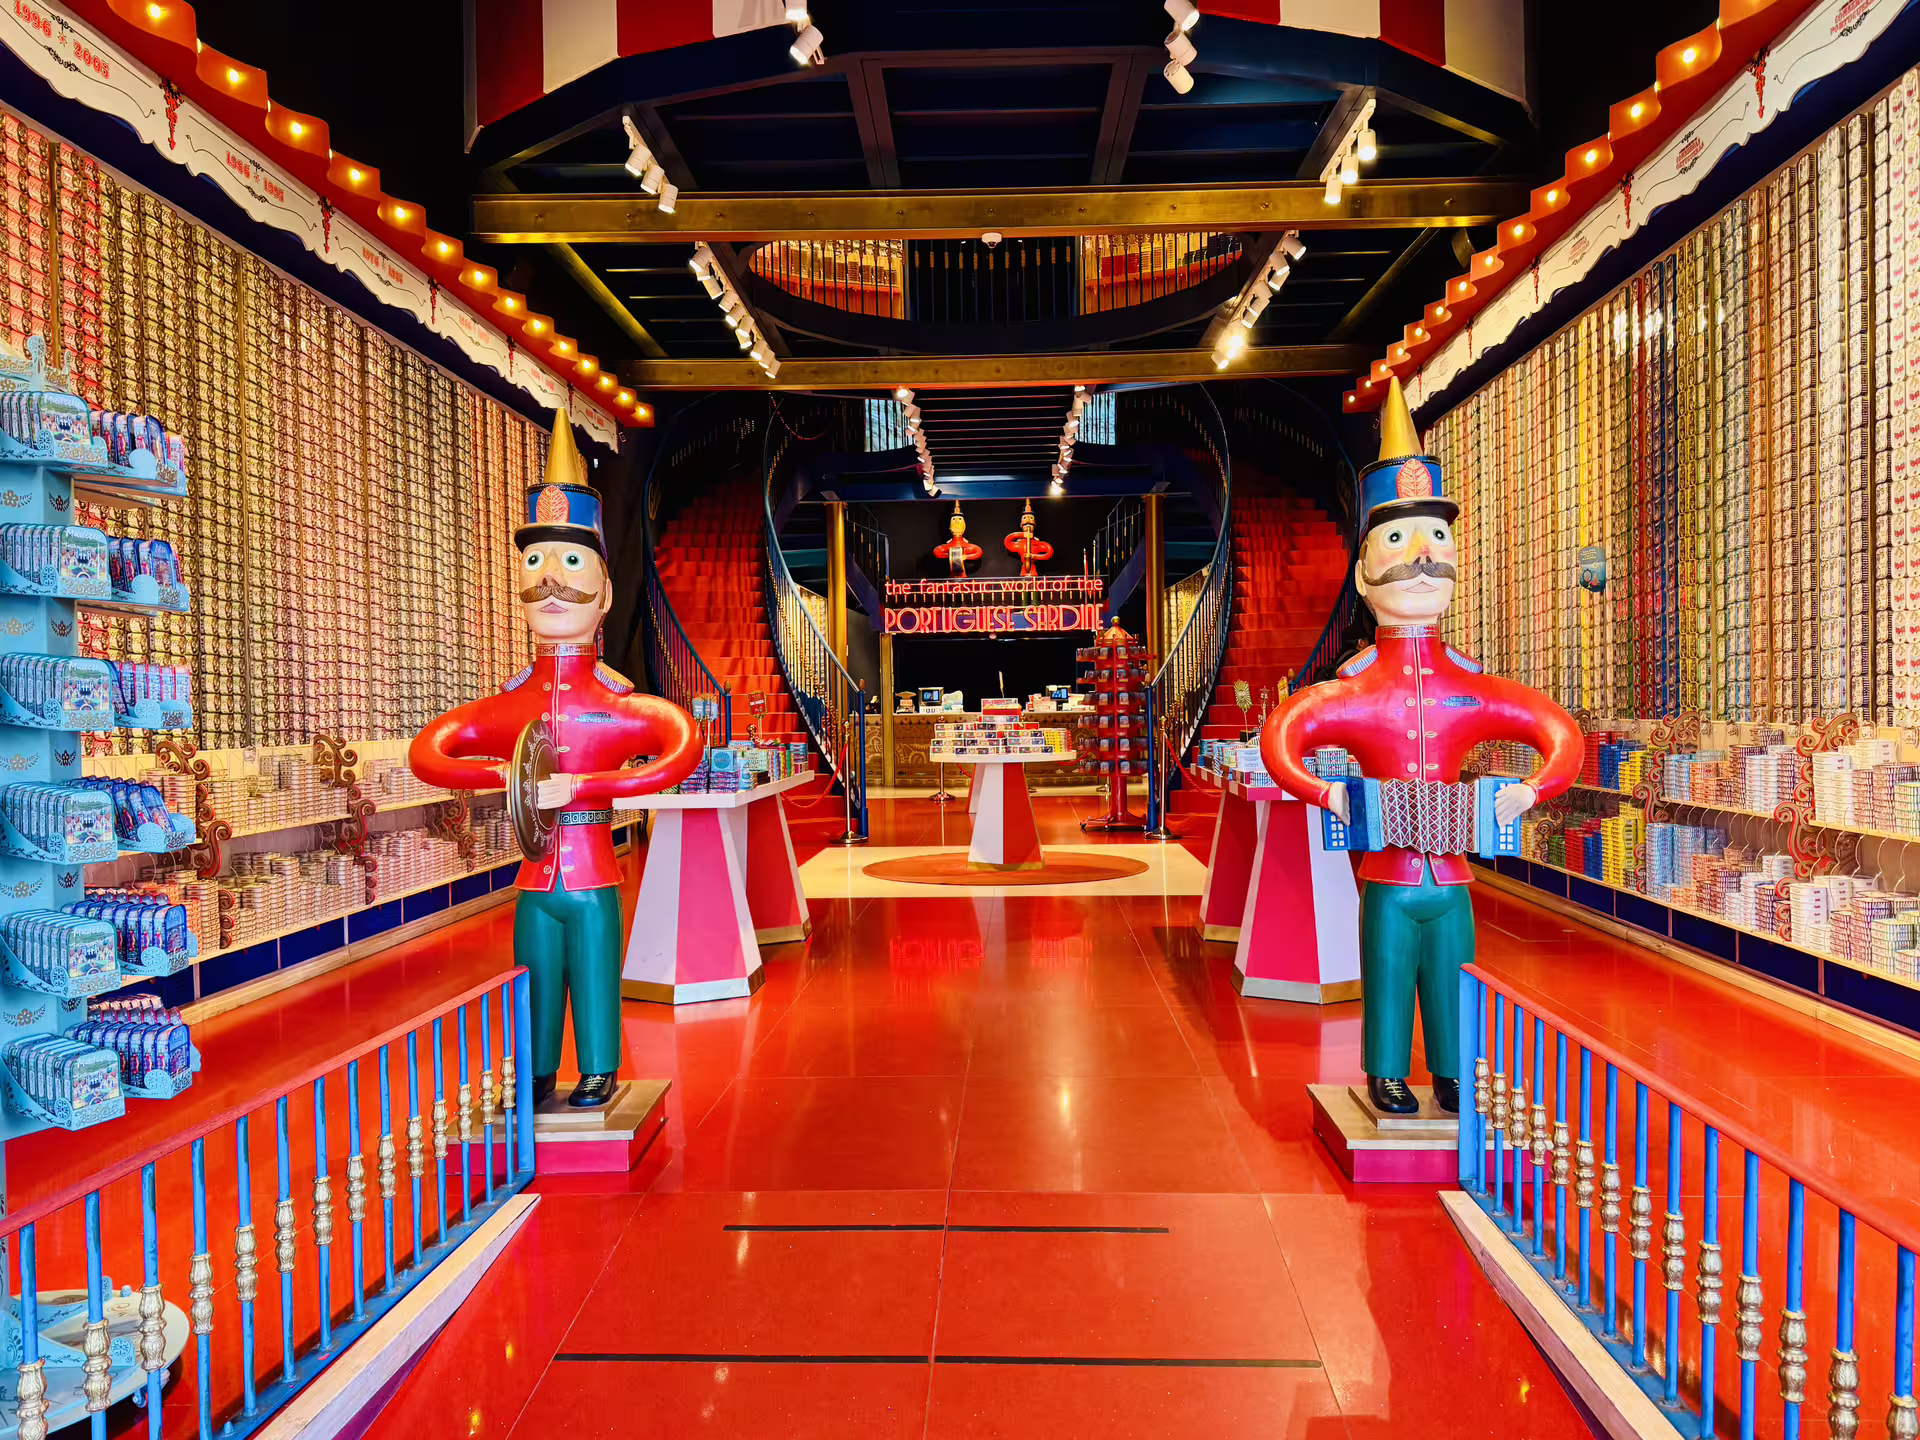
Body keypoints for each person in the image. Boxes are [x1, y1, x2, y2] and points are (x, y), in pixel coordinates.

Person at [1259, 378, 1581, 1116]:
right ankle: (1383, 1070)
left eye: (1437, 537)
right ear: (1367, 572)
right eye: (1399, 539)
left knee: (1452, 972)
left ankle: (1455, 1070)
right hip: (1390, 869)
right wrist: (1326, 790)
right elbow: (1284, 735)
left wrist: (1530, 789)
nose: (1423, 557)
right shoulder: (1353, 687)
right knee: (1388, 966)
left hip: (1454, 871)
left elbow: (1558, 733)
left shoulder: (1471, 684)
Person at [410, 412, 702, 1109]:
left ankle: (599, 1065)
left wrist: (588, 784)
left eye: (571, 562)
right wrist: (503, 778)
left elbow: (681, 744)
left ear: (602, 594)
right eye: (536, 563)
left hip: (593, 864)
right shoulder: (510, 702)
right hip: (536, 875)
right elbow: (429, 752)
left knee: (596, 970)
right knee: (535, 973)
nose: (549, 581)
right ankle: (538, 1070)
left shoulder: (618, 699)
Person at [1003, 498, 1054, 577]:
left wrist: (1033, 556)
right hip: (1024, 567)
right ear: (1021, 525)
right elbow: (1007, 541)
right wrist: (1023, 535)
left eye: (1031, 520)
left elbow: (1049, 552)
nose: (1028, 522)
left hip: (1033, 568)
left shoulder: (1038, 544)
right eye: (1025, 520)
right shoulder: (1019, 543)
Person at [933, 500, 983, 575]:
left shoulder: (970, 547)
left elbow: (978, 552)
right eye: (954, 520)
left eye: (959, 519)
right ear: (949, 526)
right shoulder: (945, 547)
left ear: (964, 525)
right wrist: (950, 556)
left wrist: (964, 557)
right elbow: (937, 552)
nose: (956, 523)